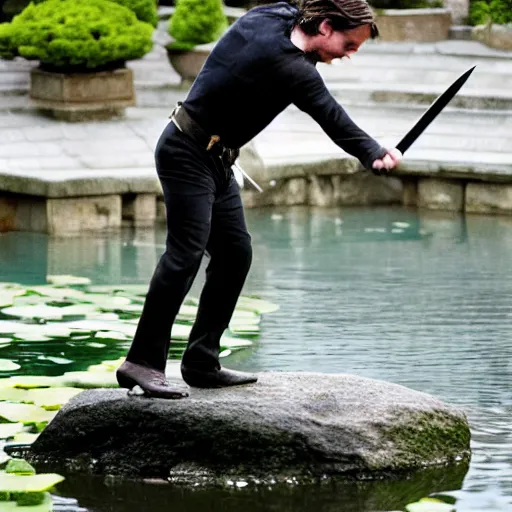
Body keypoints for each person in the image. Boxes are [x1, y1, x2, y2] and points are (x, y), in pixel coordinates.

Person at [116, 0, 403, 399]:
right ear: (324, 27)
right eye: (349, 43)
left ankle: (201, 361)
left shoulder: (273, 18)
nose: (350, 53)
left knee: (235, 253)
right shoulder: (291, 67)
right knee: (184, 255)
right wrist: (374, 152)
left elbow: (294, 12)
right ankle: (141, 362)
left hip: (217, 158)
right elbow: (330, 114)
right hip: (186, 151)